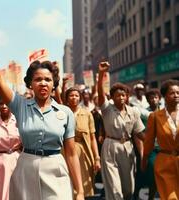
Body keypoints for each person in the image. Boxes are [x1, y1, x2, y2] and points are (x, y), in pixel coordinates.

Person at [0, 26, 84, 200]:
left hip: (56, 171)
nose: (43, 83)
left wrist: (80, 191)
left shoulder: (65, 112)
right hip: (25, 170)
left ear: (54, 84)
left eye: (47, 79)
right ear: (30, 84)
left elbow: (71, 154)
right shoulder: (20, 105)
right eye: (38, 79)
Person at [97, 62, 145, 200]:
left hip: (128, 148)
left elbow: (139, 133)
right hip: (110, 147)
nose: (121, 98)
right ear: (112, 97)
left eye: (123, 95)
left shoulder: (134, 112)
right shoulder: (107, 109)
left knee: (128, 188)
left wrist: (153, 143)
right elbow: (100, 93)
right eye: (117, 95)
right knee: (114, 189)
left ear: (127, 96)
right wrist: (101, 74)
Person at [142, 79, 179, 199]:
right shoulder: (155, 117)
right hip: (165, 164)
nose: (176, 95)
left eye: (178, 93)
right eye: (172, 93)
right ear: (164, 96)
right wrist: (144, 159)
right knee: (170, 197)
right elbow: (148, 141)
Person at [65, 87, 101, 199]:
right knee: (67, 182)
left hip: (84, 153)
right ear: (66, 98)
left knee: (84, 182)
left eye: (76, 95)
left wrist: (96, 158)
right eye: (71, 95)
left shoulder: (87, 114)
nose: (74, 97)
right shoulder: (62, 113)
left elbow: (92, 137)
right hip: (65, 151)